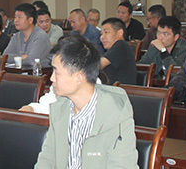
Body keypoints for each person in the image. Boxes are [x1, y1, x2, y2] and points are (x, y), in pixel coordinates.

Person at [34, 34, 137, 169]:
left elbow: (122, 165)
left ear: (79, 78)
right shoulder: (60, 108)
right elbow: (47, 159)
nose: (52, 78)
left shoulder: (115, 113)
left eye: (57, 72)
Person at [99, 18, 137, 85]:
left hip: (120, 90)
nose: (102, 37)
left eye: (106, 32)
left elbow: (98, 65)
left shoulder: (121, 45)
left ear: (120, 33)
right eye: (101, 34)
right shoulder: (112, 49)